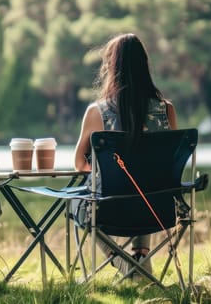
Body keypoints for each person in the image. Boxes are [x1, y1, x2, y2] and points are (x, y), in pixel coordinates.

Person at [73, 33, 177, 279]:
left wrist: (107, 171)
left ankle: (121, 261)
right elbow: (168, 164)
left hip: (112, 209)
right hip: (158, 208)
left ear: (112, 67)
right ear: (145, 66)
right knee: (147, 182)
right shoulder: (166, 110)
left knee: (77, 205)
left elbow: (79, 163)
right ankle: (141, 257)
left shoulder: (97, 112)